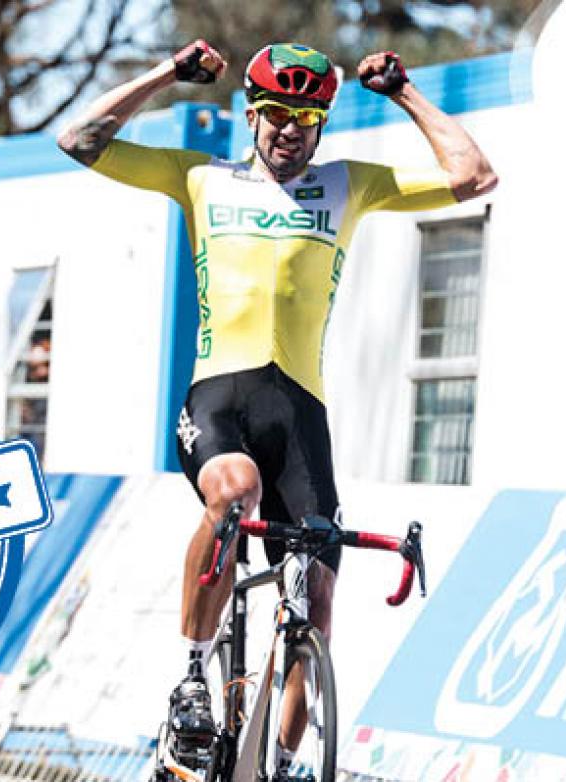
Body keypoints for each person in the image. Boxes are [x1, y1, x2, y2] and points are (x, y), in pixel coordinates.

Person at [57, 41, 496, 774]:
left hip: (299, 419)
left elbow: (474, 175)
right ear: (253, 116)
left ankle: (280, 765)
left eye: (307, 119)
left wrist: (405, 93)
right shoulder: (200, 177)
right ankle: (194, 678)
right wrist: (169, 75)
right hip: (219, 399)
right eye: (277, 116)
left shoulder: (348, 185)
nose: (291, 131)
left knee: (317, 603)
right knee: (235, 493)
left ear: (322, 126)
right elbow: (79, 140)